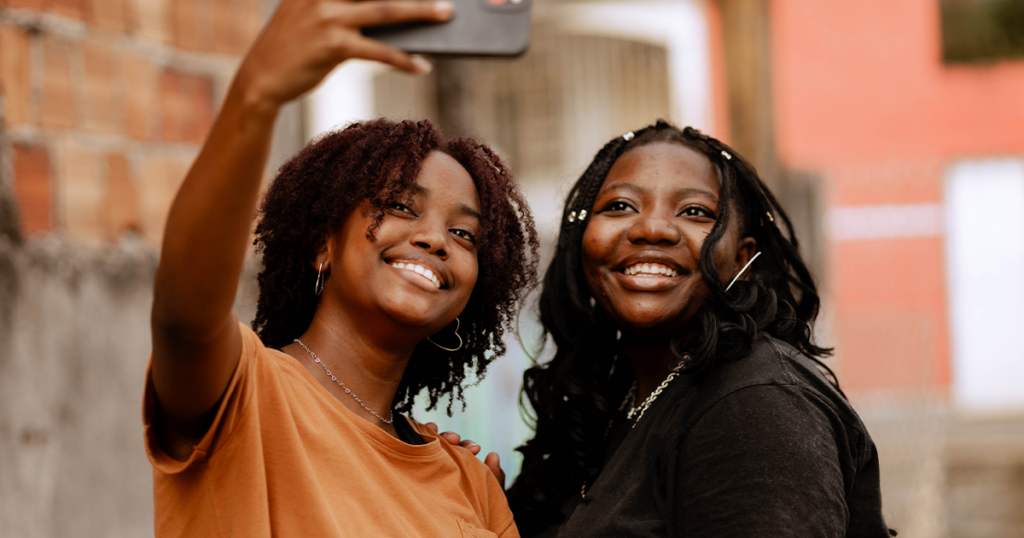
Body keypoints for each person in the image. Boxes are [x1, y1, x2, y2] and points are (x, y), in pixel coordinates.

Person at [143, 0, 538, 535]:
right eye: (401, 205)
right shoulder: (244, 394)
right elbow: (183, 320)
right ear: (321, 243)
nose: (434, 239)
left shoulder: (469, 483)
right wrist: (258, 93)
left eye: (464, 234)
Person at [504, 121, 893, 537]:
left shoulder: (754, 405)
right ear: (582, 242)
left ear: (743, 260)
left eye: (695, 212)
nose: (651, 229)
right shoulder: (621, 399)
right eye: (620, 206)